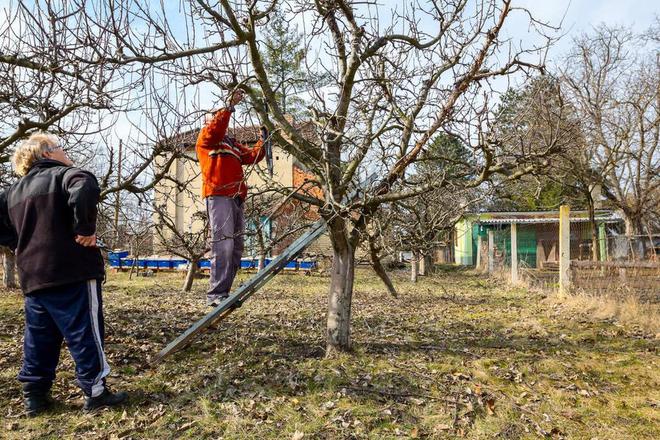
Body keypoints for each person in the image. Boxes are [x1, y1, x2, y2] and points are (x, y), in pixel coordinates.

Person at [0, 132, 127, 416]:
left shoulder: (13, 192)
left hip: (33, 275)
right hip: (72, 270)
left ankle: (35, 396)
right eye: (60, 147)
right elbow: (85, 186)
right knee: (84, 333)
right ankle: (96, 393)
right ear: (46, 153)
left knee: (39, 338)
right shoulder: (66, 175)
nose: (65, 151)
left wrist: (16, 242)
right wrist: (85, 228)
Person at [196, 90, 266, 307]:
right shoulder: (207, 139)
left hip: (236, 198)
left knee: (236, 247)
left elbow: (254, 156)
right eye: (215, 116)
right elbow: (216, 128)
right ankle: (215, 294)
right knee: (222, 245)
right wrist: (228, 105)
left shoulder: (233, 145)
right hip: (218, 196)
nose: (219, 119)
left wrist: (264, 138)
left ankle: (224, 293)